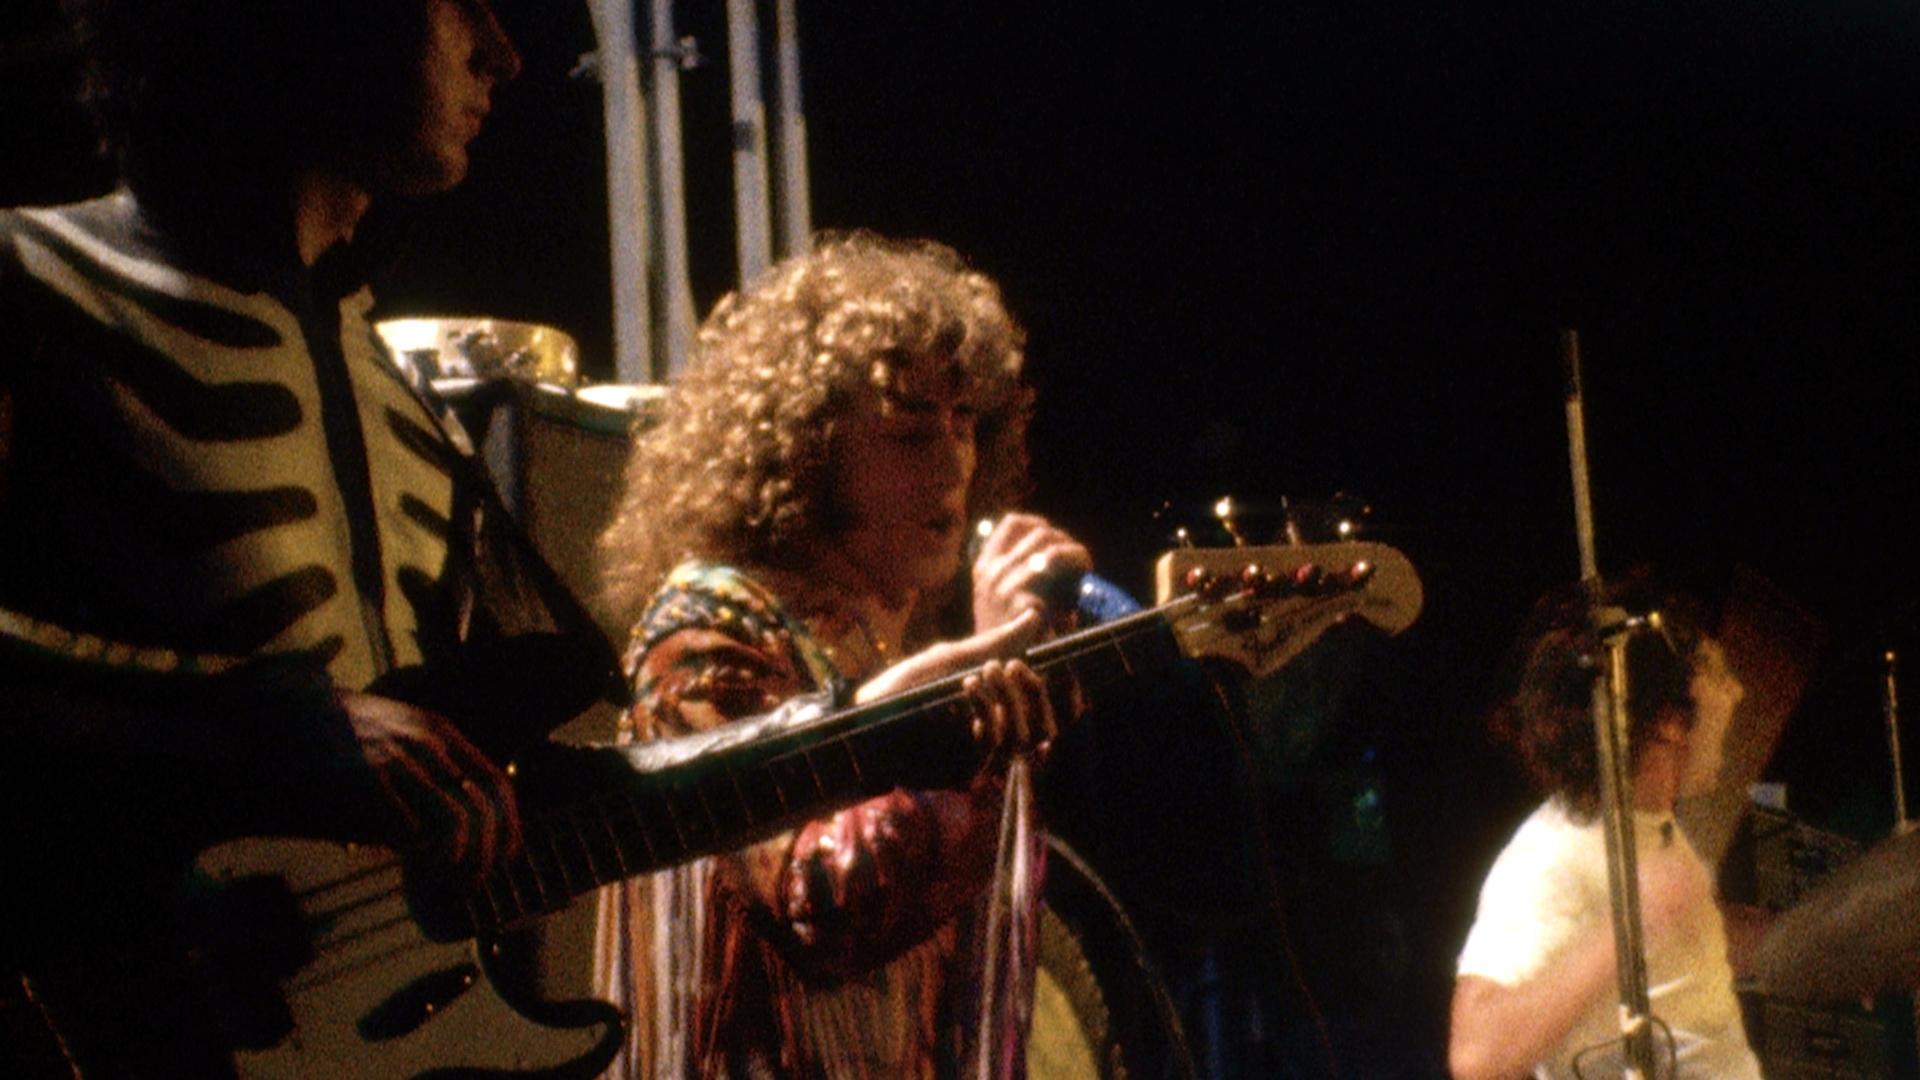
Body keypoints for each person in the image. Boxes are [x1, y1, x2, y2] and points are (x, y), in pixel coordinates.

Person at [0, 2, 604, 1073]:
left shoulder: (377, 369)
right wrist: (269, 723)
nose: (502, 55)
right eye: (456, 2)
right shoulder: (25, 276)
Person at [593, 231, 1093, 1078]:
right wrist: (977, 700)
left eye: (964, 423)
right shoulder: (708, 629)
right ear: (806, 452)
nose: (952, 463)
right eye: (908, 434)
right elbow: (821, 903)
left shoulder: (883, 644)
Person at [1448, 583, 1762, 1080]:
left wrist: (1813, 941)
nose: (1736, 691)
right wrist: (1625, 928)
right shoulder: (1553, 853)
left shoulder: (1651, 828)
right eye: (1719, 674)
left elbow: (1674, 959)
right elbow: (1476, 1052)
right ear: (1668, 723)